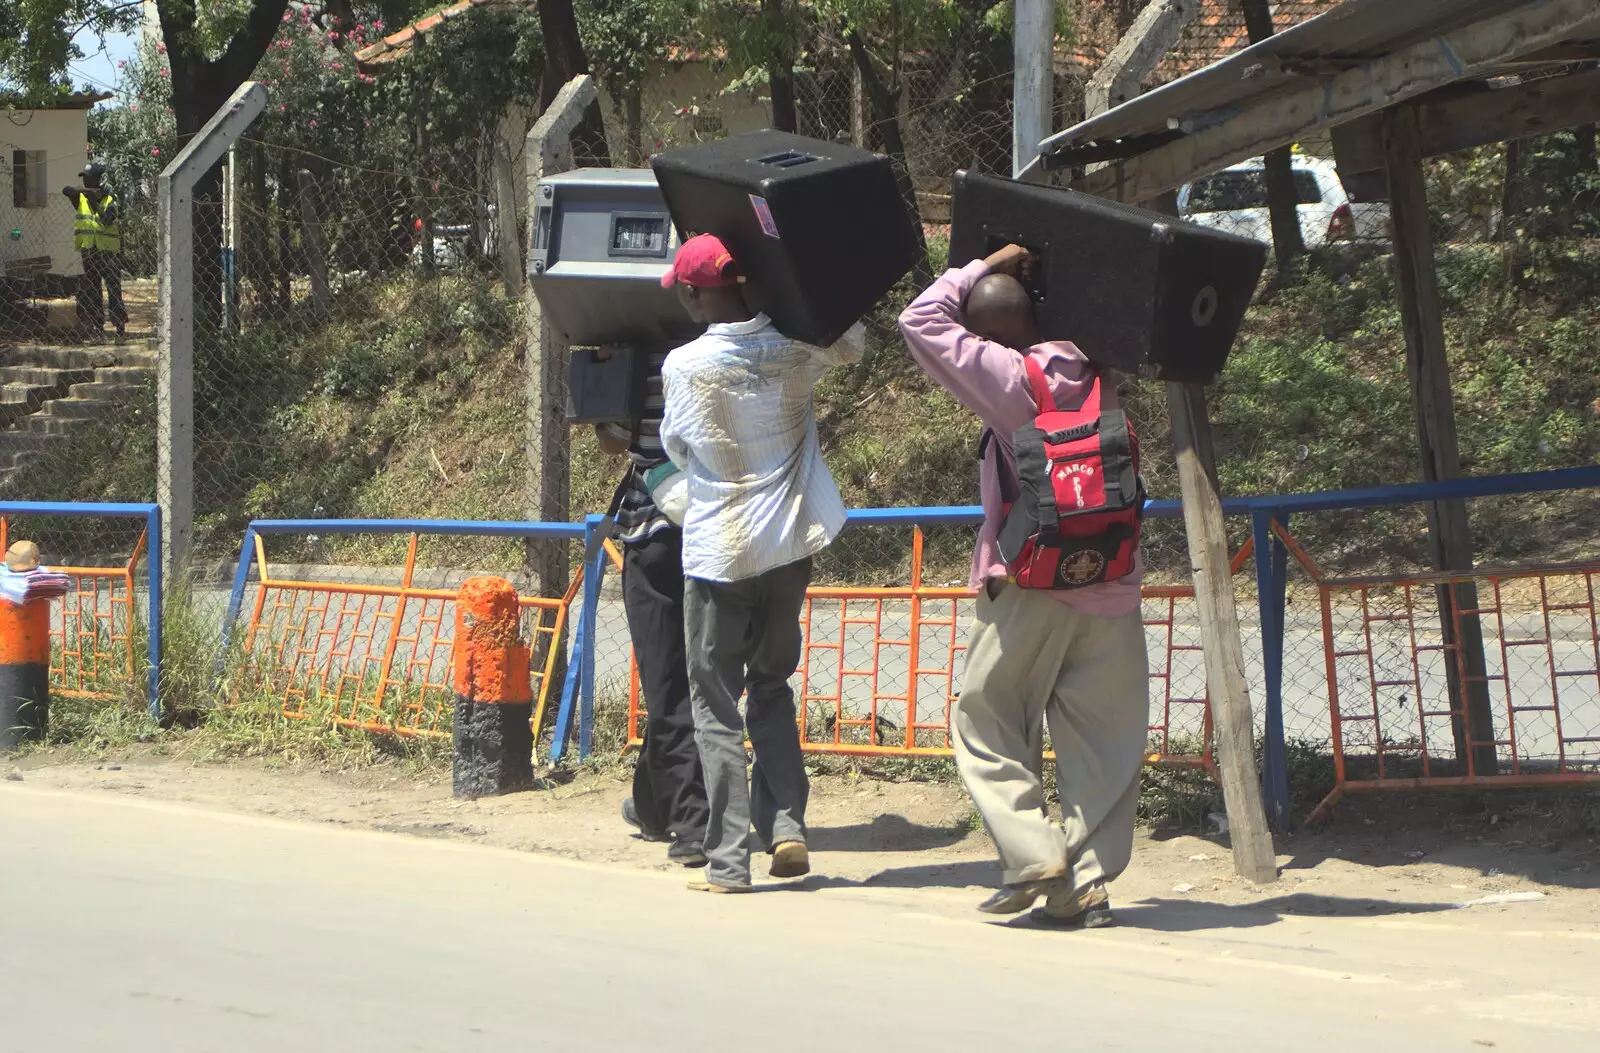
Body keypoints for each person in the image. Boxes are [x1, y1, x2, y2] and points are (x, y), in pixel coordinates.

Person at [898, 243, 1150, 928]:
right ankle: (1087, 885)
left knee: (985, 717)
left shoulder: (1008, 378)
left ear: (983, 334)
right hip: (1114, 579)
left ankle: (1033, 850)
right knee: (1104, 741)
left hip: (1034, 581)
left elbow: (920, 319)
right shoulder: (1098, 369)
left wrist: (983, 262)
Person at [658, 233, 864, 894]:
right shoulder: (797, 348)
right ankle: (786, 826)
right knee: (771, 686)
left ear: (696, 290)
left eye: (684, 290)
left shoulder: (686, 367)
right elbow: (854, 341)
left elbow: (678, 450)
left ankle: (725, 862)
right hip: (789, 550)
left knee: (715, 702)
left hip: (721, 552)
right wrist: (797, 281)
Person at [594, 346, 709, 868]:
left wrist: (604, 383)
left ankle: (694, 823)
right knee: (703, 677)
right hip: (722, 537)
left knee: (667, 684)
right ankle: (651, 804)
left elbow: (609, 443)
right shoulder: (735, 354)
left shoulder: (641, 361)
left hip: (653, 533)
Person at [61, 163, 126, 343]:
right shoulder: (81, 197)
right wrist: (80, 192)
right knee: (93, 291)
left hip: (108, 253)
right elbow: (66, 190)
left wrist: (94, 202)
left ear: (98, 179)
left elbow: (106, 220)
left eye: (89, 178)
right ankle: (99, 330)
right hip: (89, 250)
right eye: (84, 178)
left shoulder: (110, 199)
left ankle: (120, 328)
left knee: (114, 290)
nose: (85, 180)